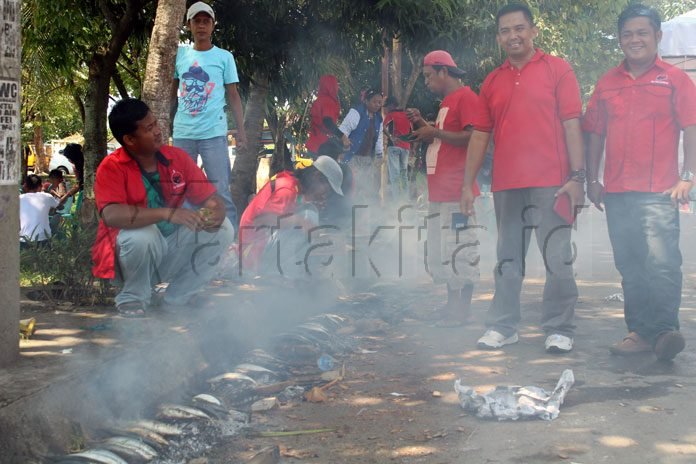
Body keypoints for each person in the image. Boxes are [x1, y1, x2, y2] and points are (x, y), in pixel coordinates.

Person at [461, 3, 585, 353]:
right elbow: (481, 135)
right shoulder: (492, 80)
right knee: (508, 257)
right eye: (505, 30)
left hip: (553, 182)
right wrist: (466, 184)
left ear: (533, 31)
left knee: (557, 255)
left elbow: (572, 124)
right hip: (507, 183)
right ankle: (503, 326)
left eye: (519, 28)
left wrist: (579, 177)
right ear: (499, 37)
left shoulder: (558, 70)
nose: (512, 35)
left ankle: (560, 327)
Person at [583, 4, 696, 361]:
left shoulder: (676, 80)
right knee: (630, 264)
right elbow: (595, 134)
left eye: (642, 33)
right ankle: (640, 332)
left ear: (658, 37)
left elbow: (691, 128)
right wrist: (592, 178)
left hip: (660, 191)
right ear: (620, 40)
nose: (635, 40)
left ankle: (664, 331)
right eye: (628, 34)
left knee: (662, 263)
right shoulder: (606, 83)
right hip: (617, 192)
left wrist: (688, 176)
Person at [93, 98, 234, 317]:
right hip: (127, 258)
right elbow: (111, 215)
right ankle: (133, 300)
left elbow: (212, 199)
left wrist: (215, 212)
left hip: (169, 251)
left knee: (223, 228)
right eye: (149, 129)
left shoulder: (176, 157)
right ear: (129, 139)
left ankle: (179, 298)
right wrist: (167, 214)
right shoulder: (111, 167)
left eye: (156, 124)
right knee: (143, 235)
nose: (158, 131)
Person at [405, 50, 480, 327]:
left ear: (443, 71)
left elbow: (473, 136)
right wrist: (423, 126)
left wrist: (433, 132)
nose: (425, 82)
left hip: (458, 194)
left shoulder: (467, 98)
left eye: (427, 76)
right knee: (443, 252)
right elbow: (444, 141)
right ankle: (451, 307)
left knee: (462, 250)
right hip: (440, 194)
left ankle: (462, 312)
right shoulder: (447, 101)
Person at [172, 1, 246, 224]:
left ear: (213, 26)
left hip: (213, 134)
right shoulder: (179, 55)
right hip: (183, 133)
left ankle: (230, 242)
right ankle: (186, 241)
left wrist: (241, 132)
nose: (201, 26)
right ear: (189, 25)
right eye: (197, 21)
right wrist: (163, 124)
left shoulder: (224, 57)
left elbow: (233, 95)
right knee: (181, 191)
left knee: (220, 189)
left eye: (206, 21)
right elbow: (170, 92)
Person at [238, 156, 344, 277]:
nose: (325, 194)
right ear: (317, 177)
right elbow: (262, 220)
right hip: (253, 255)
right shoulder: (286, 188)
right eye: (327, 189)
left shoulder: (295, 188)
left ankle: (292, 272)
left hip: (263, 250)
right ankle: (278, 274)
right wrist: (300, 221)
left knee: (310, 212)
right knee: (309, 213)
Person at [339, 88, 384, 204]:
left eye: (380, 102)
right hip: (352, 158)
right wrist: (343, 144)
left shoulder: (378, 119)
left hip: (367, 159)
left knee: (365, 188)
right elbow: (342, 131)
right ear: (366, 101)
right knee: (351, 187)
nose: (377, 105)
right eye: (374, 101)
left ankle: (362, 214)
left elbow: (378, 138)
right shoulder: (356, 113)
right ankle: (348, 211)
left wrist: (379, 155)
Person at [305, 75, 349, 158]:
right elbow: (327, 121)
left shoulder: (318, 100)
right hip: (322, 146)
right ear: (331, 86)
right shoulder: (328, 101)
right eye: (336, 84)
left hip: (313, 144)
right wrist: (342, 136)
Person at [20, 174, 70, 246]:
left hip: (24, 240)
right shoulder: (46, 196)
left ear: (26, 186)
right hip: (44, 239)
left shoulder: (19, 198)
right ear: (40, 186)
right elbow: (60, 207)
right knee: (57, 217)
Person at [383, 96, 412, 203]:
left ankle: (396, 201)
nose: (385, 109)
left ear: (391, 105)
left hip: (394, 146)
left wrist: (390, 137)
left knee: (394, 174)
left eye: (386, 106)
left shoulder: (391, 115)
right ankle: (405, 199)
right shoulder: (406, 115)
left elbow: (383, 126)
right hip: (406, 147)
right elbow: (411, 131)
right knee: (403, 174)